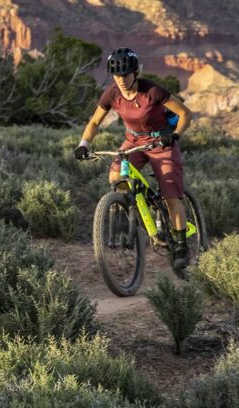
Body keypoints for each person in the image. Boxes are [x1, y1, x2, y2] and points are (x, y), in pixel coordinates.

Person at [74, 47, 194, 269]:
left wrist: (175, 135)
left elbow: (186, 114)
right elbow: (94, 123)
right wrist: (84, 144)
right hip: (134, 142)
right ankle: (137, 213)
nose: (120, 79)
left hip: (161, 143)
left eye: (125, 74)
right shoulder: (112, 94)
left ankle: (180, 246)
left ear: (135, 73)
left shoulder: (152, 91)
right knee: (116, 178)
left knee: (170, 196)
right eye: (117, 75)